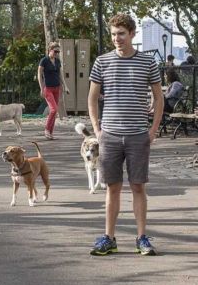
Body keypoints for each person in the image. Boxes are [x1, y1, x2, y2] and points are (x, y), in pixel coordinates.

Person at [87, 13, 163, 256]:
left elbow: (159, 97)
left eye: (121, 33)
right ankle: (109, 237)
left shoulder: (148, 62)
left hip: (138, 135)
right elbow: (91, 98)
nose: (117, 38)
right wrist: (97, 129)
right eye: (113, 34)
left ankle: (141, 237)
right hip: (109, 135)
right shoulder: (102, 62)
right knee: (112, 187)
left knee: (138, 186)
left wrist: (153, 130)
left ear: (132, 34)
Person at [37, 42, 70, 140]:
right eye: (55, 51)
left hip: (57, 88)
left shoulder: (57, 61)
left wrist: (66, 86)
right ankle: (47, 129)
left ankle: (50, 133)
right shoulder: (44, 61)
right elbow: (39, 75)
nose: (57, 53)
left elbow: (60, 75)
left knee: (55, 112)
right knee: (53, 109)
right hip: (48, 88)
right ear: (50, 50)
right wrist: (41, 88)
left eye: (58, 52)